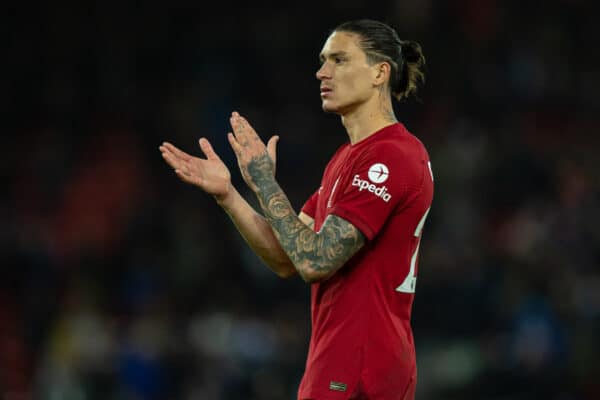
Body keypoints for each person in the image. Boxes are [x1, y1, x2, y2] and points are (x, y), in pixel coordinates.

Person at [160, 19, 433, 400]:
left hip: (362, 367)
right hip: (337, 362)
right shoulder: (347, 158)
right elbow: (286, 256)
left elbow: (315, 261)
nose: (322, 72)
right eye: (323, 61)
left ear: (379, 72)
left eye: (339, 60)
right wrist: (229, 195)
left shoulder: (391, 155)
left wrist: (266, 184)